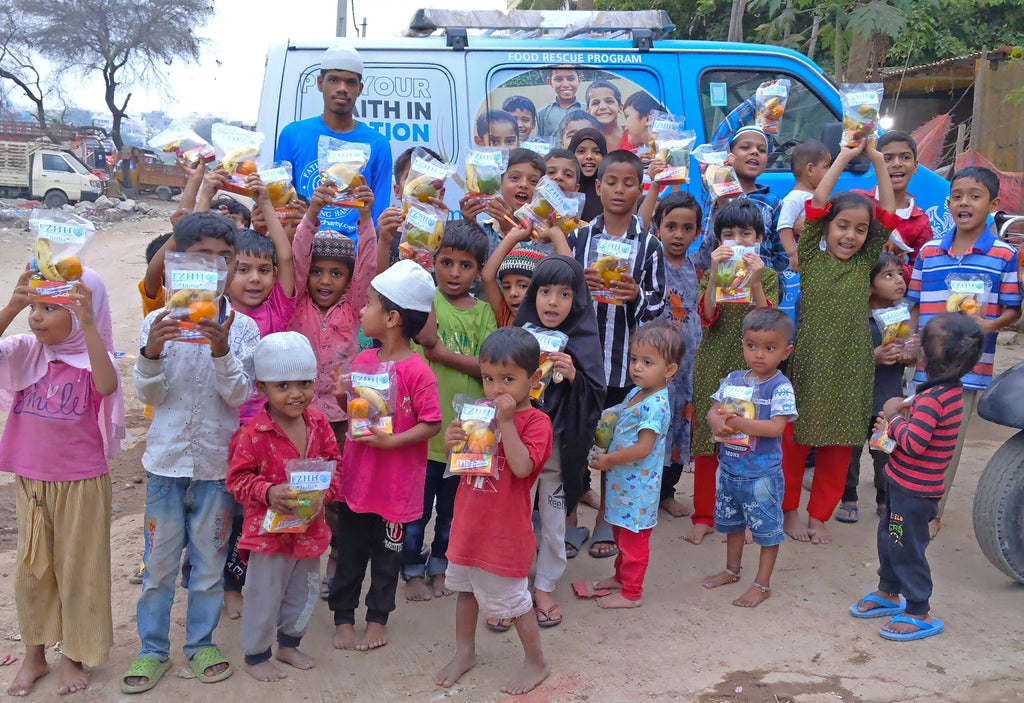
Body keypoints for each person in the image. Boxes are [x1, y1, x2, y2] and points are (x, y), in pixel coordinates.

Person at [124, 212, 260, 694]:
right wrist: (151, 355)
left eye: (225, 258)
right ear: (179, 263)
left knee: (209, 561)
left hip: (215, 468)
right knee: (158, 563)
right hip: (164, 465)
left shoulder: (242, 330)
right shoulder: (157, 323)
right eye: (202, 258)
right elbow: (152, 397)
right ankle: (152, 649)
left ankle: (200, 642)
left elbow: (239, 397)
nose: (216, 268)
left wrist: (222, 353)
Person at [1, 269, 123, 697]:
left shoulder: (94, 359)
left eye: (50, 307)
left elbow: (107, 385)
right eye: (35, 306)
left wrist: (89, 324)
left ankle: (74, 654)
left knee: (80, 570)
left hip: (82, 481)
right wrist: (14, 305)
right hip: (32, 480)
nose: (37, 317)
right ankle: (35, 656)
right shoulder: (25, 352)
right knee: (32, 571)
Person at [781, 142, 898, 545]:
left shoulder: (866, 262)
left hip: (853, 371)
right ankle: (791, 512)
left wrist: (879, 160)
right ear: (826, 228)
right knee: (796, 444)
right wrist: (846, 156)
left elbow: (888, 212)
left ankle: (820, 517)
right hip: (810, 368)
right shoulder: (810, 258)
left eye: (860, 229)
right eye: (842, 225)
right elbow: (816, 202)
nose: (850, 235)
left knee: (840, 448)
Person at [327, 260, 442, 652]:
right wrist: (345, 396)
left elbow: (432, 423)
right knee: (349, 556)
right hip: (358, 484)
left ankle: (377, 618)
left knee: (387, 560)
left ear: (392, 318)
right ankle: (343, 617)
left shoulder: (418, 371)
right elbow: (359, 413)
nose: (361, 309)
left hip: (395, 489)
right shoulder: (363, 362)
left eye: (370, 303)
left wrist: (395, 442)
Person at [435, 326, 553, 696]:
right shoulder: (477, 413)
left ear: (533, 379)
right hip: (469, 522)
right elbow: (462, 464)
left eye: (508, 379)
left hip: (505, 532)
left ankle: (536, 662)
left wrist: (505, 424)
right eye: (488, 378)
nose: (496, 388)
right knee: (465, 590)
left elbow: (521, 468)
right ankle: (465, 652)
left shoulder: (537, 422)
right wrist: (453, 440)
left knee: (516, 602)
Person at [850, 313, 983, 641]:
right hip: (902, 484)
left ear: (930, 356)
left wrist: (893, 416)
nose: (914, 344)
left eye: (921, 342)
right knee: (891, 537)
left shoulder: (936, 398)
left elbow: (912, 442)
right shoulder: (941, 389)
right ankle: (889, 590)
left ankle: (918, 609)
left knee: (906, 546)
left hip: (915, 492)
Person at [906, 166, 1021, 537]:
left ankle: (933, 510)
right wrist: (912, 341)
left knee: (947, 441)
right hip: (925, 362)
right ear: (948, 202)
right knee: (913, 426)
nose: (964, 203)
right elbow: (914, 304)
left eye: (975, 195)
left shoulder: (1004, 254)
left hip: (971, 367)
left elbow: (1012, 309)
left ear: (994, 204)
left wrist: (977, 331)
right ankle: (906, 497)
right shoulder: (929, 251)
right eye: (957, 195)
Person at [226, 332, 344, 682]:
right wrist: (268, 492)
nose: (296, 393)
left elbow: (334, 465)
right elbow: (236, 481)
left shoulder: (319, 424)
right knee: (264, 596)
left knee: (303, 594)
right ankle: (256, 654)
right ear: (261, 389)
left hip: (309, 532)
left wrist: (325, 495)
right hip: (268, 537)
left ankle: (289, 644)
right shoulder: (252, 434)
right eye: (283, 386)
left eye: (304, 383)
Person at [567, 149, 666, 557]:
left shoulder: (650, 245)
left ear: (641, 188)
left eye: (629, 183)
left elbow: (659, 306)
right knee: (574, 443)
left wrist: (635, 295)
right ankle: (569, 522)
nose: (619, 190)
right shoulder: (579, 238)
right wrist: (579, 290)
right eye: (611, 182)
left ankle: (607, 519)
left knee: (615, 446)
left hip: (626, 368)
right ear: (598, 185)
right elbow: (558, 295)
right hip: (581, 364)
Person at [404, 222, 497, 602]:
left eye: (465, 265)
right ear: (433, 262)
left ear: (478, 270)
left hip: (470, 435)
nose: (454, 273)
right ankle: (410, 568)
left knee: (453, 515)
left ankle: (441, 565)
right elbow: (424, 341)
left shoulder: (484, 313)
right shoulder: (426, 302)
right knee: (414, 514)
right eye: (445, 262)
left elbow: (489, 367)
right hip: (423, 433)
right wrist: (425, 286)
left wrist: (445, 355)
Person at [513, 255, 605, 620]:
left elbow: (596, 393)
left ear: (577, 299)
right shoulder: (519, 335)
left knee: (553, 526)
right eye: (545, 291)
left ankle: (544, 588)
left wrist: (573, 376)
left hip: (557, 454)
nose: (553, 302)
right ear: (533, 294)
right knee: (515, 521)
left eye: (564, 294)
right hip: (519, 453)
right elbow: (494, 382)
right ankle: (513, 589)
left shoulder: (582, 337)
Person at [686, 199, 778, 545]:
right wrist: (713, 278)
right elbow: (707, 315)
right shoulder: (714, 273)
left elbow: (767, 323)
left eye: (746, 234)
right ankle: (704, 515)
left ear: (758, 238)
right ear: (717, 239)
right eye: (729, 234)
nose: (737, 241)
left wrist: (754, 280)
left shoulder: (767, 275)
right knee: (710, 441)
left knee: (749, 443)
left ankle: (750, 517)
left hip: (753, 369)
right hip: (714, 364)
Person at [703, 308, 796, 607]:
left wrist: (739, 423)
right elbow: (713, 409)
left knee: (767, 531)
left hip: (761, 476)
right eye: (751, 345)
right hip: (729, 469)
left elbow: (776, 427)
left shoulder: (780, 386)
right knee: (732, 525)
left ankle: (762, 584)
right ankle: (732, 571)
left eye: (770, 348)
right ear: (742, 343)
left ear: (786, 351)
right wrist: (714, 420)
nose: (759, 355)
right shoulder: (733, 379)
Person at [589, 322, 679, 608]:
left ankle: (632, 593)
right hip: (623, 484)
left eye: (647, 362)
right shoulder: (639, 391)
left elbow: (644, 448)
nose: (637, 367)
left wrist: (609, 460)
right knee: (619, 534)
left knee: (633, 542)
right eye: (634, 359)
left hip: (638, 489)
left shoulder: (656, 404)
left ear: (669, 371)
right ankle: (620, 577)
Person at [288, 181, 378, 439]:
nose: (325, 281)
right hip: (296, 412)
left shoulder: (354, 306)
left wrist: (365, 216)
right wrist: (313, 211)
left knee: (337, 475)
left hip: (341, 415)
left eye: (336, 274)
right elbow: (298, 256)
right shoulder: (296, 301)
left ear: (349, 280)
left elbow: (367, 265)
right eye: (316, 272)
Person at [274, 44, 390, 237]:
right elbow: (281, 201)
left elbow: (377, 217)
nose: (342, 88)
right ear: (320, 83)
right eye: (334, 80)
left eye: (350, 82)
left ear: (360, 88)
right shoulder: (293, 134)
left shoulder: (377, 144)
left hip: (355, 258)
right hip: (303, 251)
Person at [836, 253, 909, 523]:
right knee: (850, 454)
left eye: (899, 273)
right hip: (856, 401)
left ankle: (883, 498)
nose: (898, 280)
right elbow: (841, 358)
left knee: (885, 454)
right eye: (888, 275)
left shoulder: (900, 315)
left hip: (888, 403)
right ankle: (849, 497)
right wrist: (872, 356)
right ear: (868, 287)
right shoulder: (855, 319)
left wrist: (909, 354)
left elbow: (905, 357)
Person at [651, 193, 704, 517]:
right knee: (653, 426)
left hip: (687, 368)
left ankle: (667, 492)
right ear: (658, 228)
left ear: (697, 233)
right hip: (654, 367)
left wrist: (719, 188)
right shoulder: (651, 260)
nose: (678, 234)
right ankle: (646, 490)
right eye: (671, 226)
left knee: (679, 428)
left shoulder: (697, 264)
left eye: (687, 228)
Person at [698, 126, 785, 273]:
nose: (754, 152)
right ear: (729, 155)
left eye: (762, 150)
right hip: (723, 284)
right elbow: (707, 246)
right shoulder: (716, 193)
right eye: (745, 147)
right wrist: (756, 103)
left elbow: (782, 256)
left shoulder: (773, 203)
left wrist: (766, 276)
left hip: (761, 287)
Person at [854, 131, 934, 280]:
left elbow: (922, 272)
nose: (897, 163)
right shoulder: (857, 199)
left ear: (915, 166)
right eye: (887, 158)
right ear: (876, 164)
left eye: (905, 157)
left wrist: (892, 264)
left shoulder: (920, 221)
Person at [459, 148, 545, 253]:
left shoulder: (545, 236)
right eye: (514, 177)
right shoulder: (485, 231)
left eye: (533, 181)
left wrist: (509, 232)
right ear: (500, 185)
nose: (523, 184)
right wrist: (470, 225)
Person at [480, 229, 553, 328]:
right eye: (506, 287)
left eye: (523, 286)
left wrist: (556, 235)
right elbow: (487, 276)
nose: (513, 293)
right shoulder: (506, 316)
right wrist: (512, 237)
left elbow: (575, 279)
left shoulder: (554, 318)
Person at [778, 139, 831, 272]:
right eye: (826, 166)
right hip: (804, 261)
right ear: (810, 169)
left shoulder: (817, 196)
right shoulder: (795, 198)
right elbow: (784, 226)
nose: (830, 172)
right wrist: (792, 254)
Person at [568, 128, 608, 222]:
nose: (589, 156)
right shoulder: (562, 187)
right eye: (581, 151)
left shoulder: (609, 191)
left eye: (597, 152)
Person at [536, 66, 585, 140]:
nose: (565, 84)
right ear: (550, 82)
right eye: (559, 79)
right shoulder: (543, 113)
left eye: (571, 79)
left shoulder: (587, 110)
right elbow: (540, 143)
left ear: (579, 80)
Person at [619, 91, 664, 155]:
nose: (623, 124)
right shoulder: (639, 157)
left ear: (649, 118)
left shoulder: (667, 155)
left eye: (627, 116)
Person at [584, 79, 624, 152]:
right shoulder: (584, 140)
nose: (603, 107)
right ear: (588, 112)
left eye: (609, 101)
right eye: (595, 103)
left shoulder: (634, 137)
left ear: (620, 108)